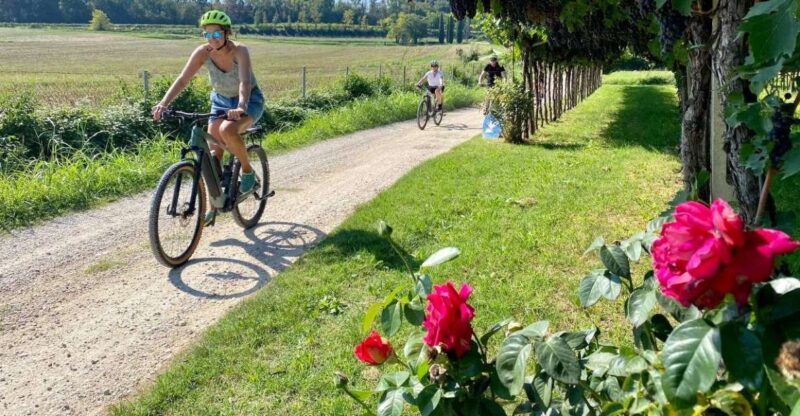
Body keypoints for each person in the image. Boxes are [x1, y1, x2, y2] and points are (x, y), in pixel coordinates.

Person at [151, 10, 265, 226]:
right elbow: (183, 79)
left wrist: (241, 106)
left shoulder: (240, 50)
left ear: (227, 33)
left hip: (249, 100)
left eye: (217, 34)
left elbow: (244, 83)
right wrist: (163, 103)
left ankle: (248, 173)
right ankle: (214, 205)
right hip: (220, 101)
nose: (212, 39)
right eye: (207, 35)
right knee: (213, 156)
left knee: (227, 130)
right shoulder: (202, 52)